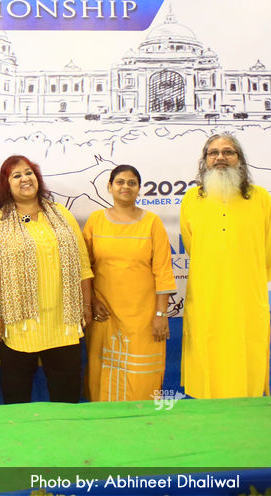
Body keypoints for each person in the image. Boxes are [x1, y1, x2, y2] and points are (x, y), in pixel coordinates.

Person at [0, 155, 93, 404]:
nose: (25, 179)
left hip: (63, 323)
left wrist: (86, 304)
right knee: (17, 398)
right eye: (16, 175)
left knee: (67, 396)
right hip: (19, 327)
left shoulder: (60, 215)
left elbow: (83, 264)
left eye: (28, 173)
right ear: (7, 184)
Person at [179, 133, 271, 399]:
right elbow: (192, 245)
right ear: (205, 160)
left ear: (240, 159)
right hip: (206, 295)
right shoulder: (191, 199)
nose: (220, 157)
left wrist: (251, 277)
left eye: (228, 152)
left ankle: (247, 405)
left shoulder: (260, 198)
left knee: (246, 348)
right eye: (213, 153)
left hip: (247, 296)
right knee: (207, 347)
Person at [83, 164, 175, 402]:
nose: (126, 187)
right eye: (120, 182)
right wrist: (91, 301)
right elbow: (84, 268)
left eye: (132, 183)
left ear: (139, 188)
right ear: (109, 187)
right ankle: (105, 422)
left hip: (144, 316)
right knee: (103, 377)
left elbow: (163, 272)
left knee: (141, 380)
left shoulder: (152, 223)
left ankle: (142, 421)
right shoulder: (95, 221)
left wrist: (160, 314)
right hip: (105, 314)